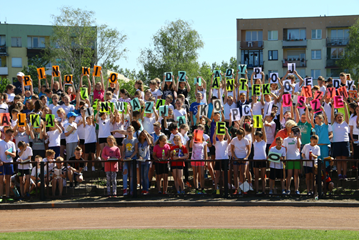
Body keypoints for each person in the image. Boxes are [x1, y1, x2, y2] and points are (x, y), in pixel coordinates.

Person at [331, 101, 350, 180]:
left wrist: (345, 105)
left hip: (345, 142)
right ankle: (339, 175)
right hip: (336, 143)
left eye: (341, 117)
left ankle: (344, 175)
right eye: (338, 117)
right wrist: (332, 106)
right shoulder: (333, 123)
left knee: (344, 160)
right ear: (335, 118)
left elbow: (346, 113)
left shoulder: (346, 123)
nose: (339, 118)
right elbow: (331, 115)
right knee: (338, 160)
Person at [231, 127, 250, 195]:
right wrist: (235, 157)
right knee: (235, 174)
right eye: (238, 137)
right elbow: (232, 150)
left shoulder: (246, 140)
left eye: (240, 137)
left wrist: (246, 157)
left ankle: (244, 189)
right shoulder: (234, 140)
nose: (239, 138)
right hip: (236, 158)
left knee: (243, 174)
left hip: (243, 158)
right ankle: (237, 189)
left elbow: (249, 150)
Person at [213, 125, 231, 195]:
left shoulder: (226, 142)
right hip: (218, 160)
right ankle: (216, 188)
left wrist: (227, 131)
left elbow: (229, 139)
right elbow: (213, 138)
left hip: (225, 160)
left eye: (222, 136)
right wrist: (215, 131)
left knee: (225, 175)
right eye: (219, 136)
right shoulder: (216, 143)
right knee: (217, 174)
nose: (220, 137)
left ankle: (225, 189)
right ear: (217, 136)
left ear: (224, 136)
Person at [190, 125, 208, 194]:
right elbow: (191, 146)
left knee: (202, 175)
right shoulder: (194, 140)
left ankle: (202, 188)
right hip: (194, 159)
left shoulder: (204, 142)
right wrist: (193, 137)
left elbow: (205, 153)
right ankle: (196, 189)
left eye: (201, 130)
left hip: (201, 159)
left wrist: (206, 162)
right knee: (195, 175)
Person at [283, 126, 301, 195]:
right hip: (289, 158)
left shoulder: (297, 139)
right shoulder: (286, 140)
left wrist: (298, 138)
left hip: (296, 158)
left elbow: (299, 146)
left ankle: (296, 189)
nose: (296, 134)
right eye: (295, 133)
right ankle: (288, 189)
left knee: (296, 175)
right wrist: (284, 159)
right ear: (291, 132)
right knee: (289, 175)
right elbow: (284, 149)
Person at [0, 128, 17, 202]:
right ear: (5, 134)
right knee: (1, 180)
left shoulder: (12, 143)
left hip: (9, 164)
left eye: (12, 135)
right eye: (9, 135)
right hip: (2, 164)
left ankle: (7, 196)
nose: (10, 136)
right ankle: (1, 196)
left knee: (8, 180)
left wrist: (9, 153)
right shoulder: (0, 143)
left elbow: (14, 155)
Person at [122, 126, 138, 196]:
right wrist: (123, 158)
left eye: (131, 131)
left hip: (133, 159)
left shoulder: (135, 140)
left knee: (132, 175)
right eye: (128, 131)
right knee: (125, 173)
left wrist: (131, 157)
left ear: (133, 131)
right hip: (126, 159)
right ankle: (125, 189)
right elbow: (123, 150)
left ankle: (131, 189)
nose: (129, 132)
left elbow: (136, 150)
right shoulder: (124, 140)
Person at [251, 126, 267, 194]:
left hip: (263, 160)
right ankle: (257, 191)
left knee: (263, 177)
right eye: (255, 138)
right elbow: (252, 134)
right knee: (256, 177)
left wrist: (263, 127)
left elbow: (264, 133)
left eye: (258, 138)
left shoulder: (264, 142)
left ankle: (263, 191)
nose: (256, 139)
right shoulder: (254, 142)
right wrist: (254, 127)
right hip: (256, 160)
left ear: (261, 137)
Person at [137, 130, 153, 195]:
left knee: (145, 175)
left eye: (144, 136)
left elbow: (149, 142)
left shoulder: (147, 142)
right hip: (140, 161)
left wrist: (146, 135)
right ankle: (142, 189)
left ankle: (146, 189)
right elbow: (136, 151)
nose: (143, 136)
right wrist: (139, 156)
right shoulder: (138, 143)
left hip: (146, 160)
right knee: (141, 175)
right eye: (142, 135)